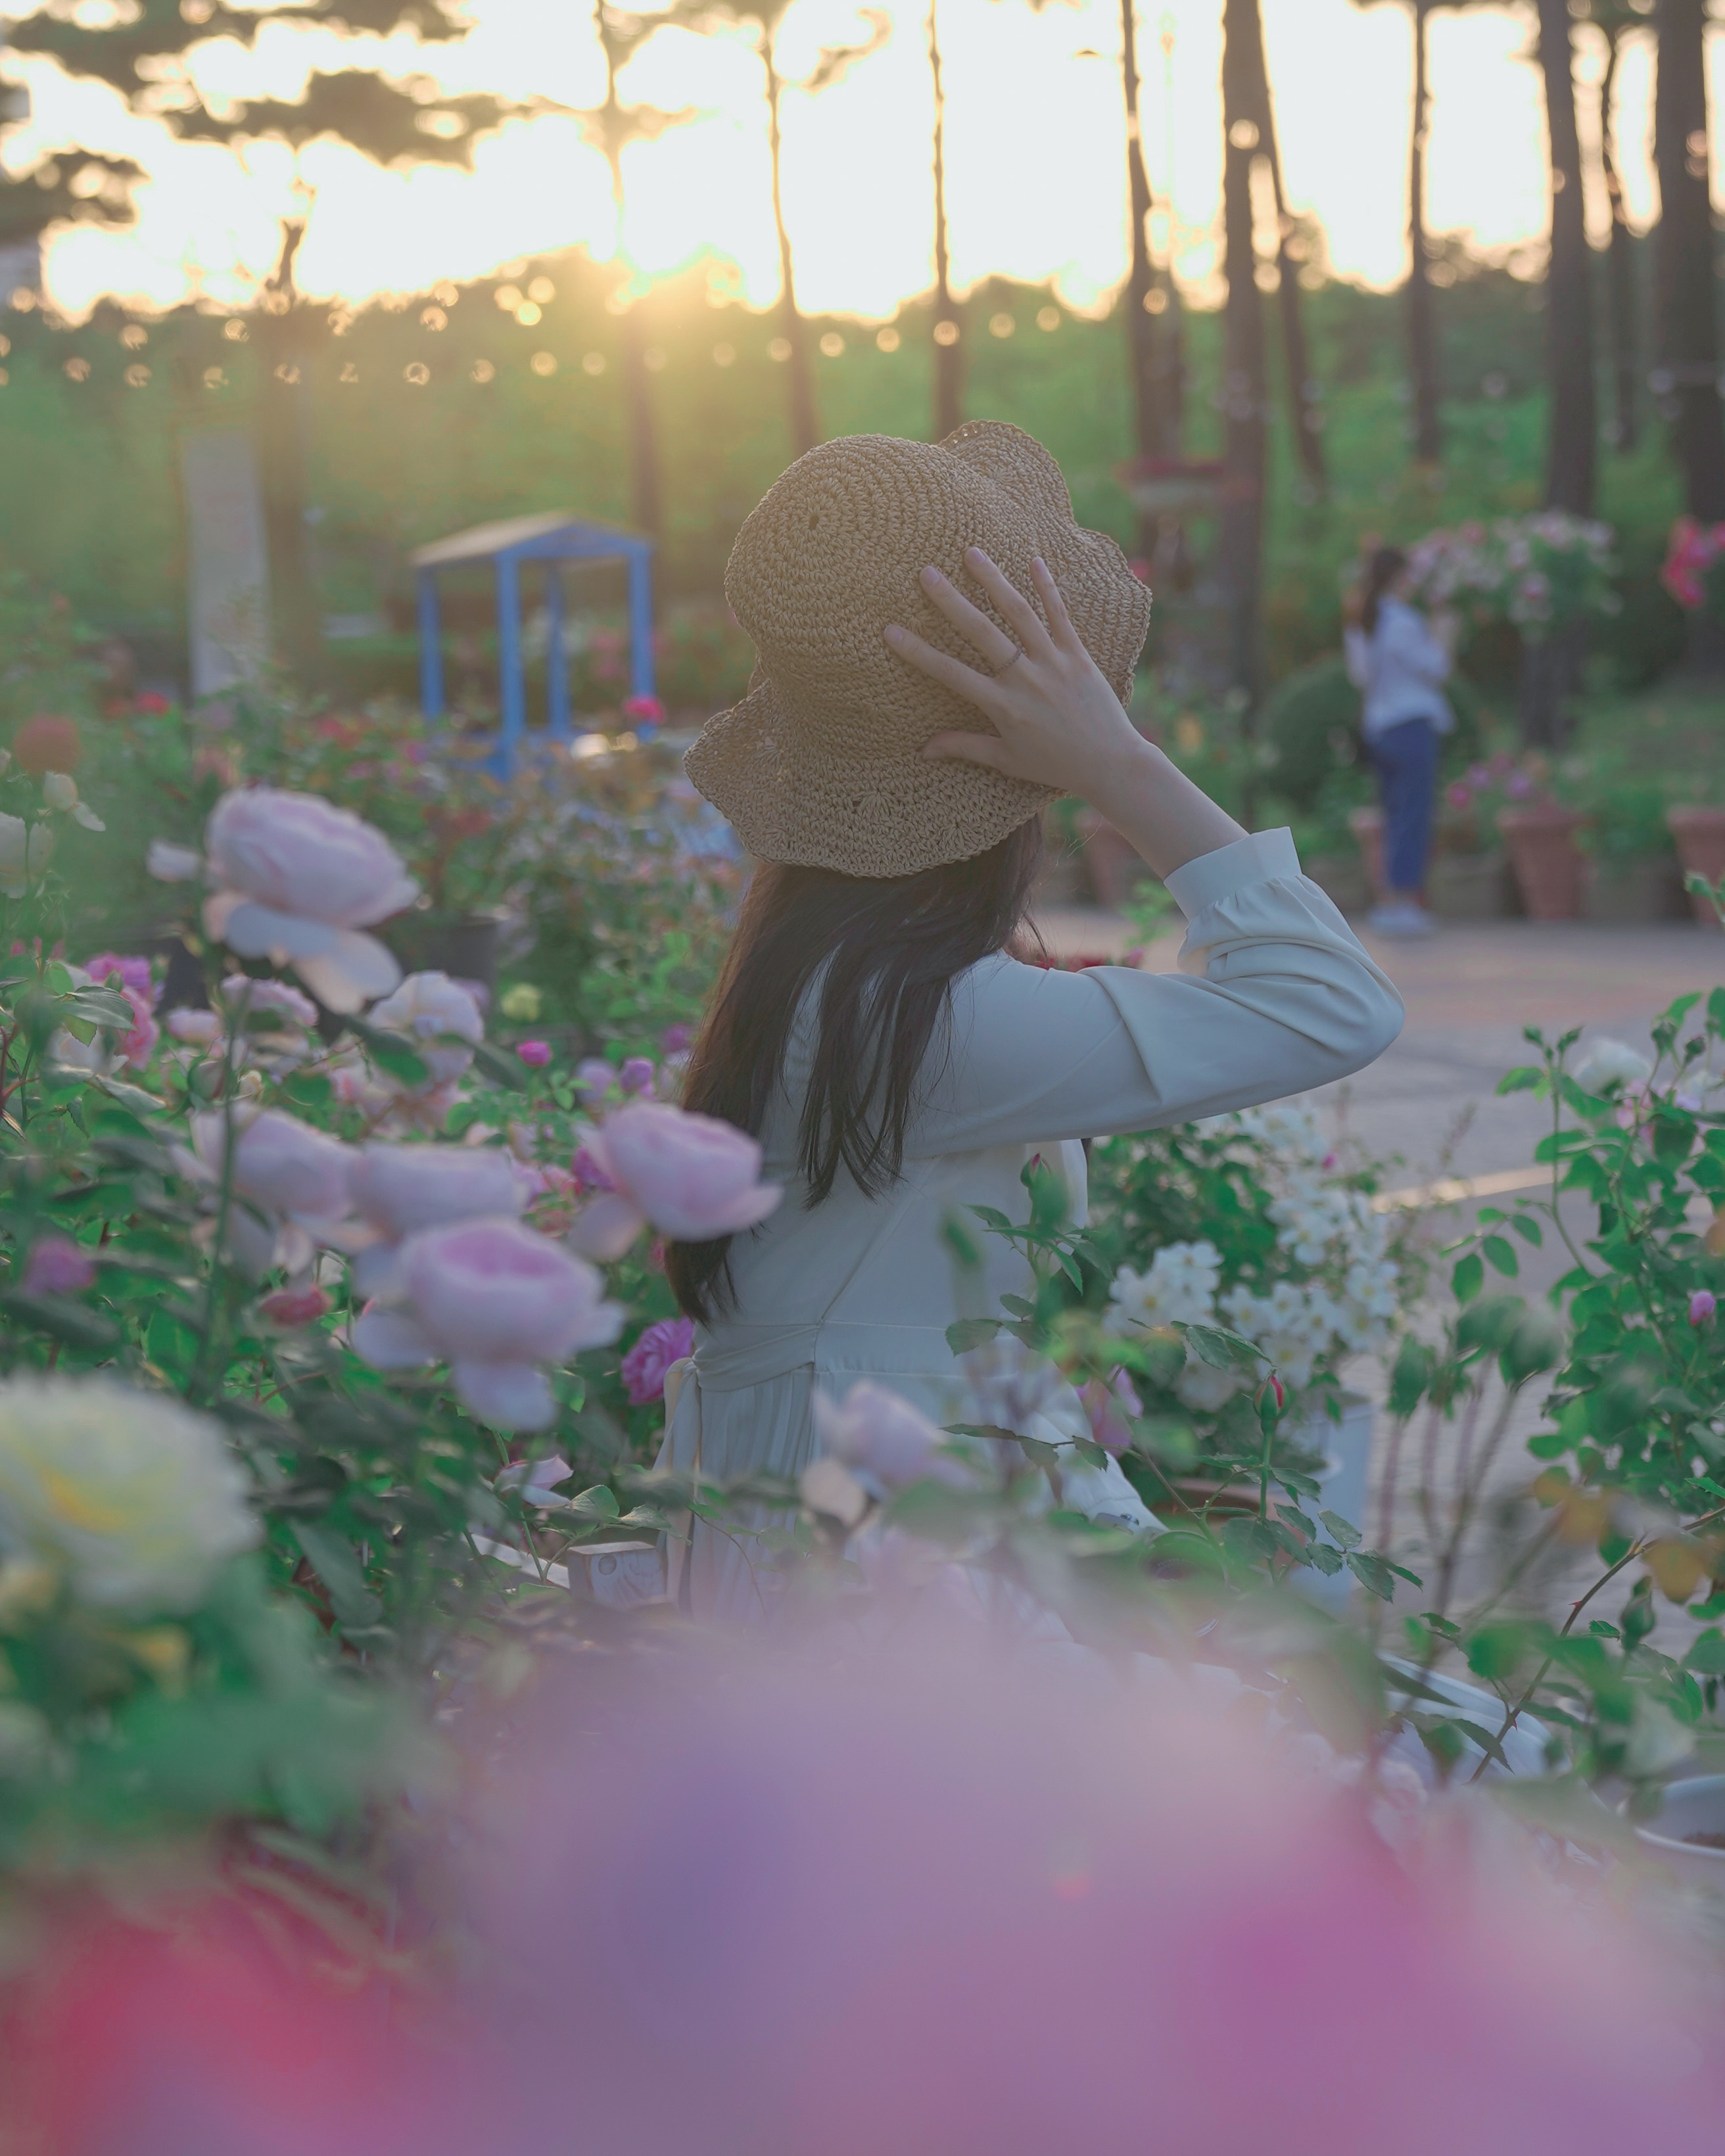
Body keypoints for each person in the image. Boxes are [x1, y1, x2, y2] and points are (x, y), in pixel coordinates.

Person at [662, 423, 1404, 1620]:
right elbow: (1330, 1003)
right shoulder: (920, 1019)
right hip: (883, 1581)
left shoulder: (835, 974)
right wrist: (1120, 766)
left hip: (856, 1533)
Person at [1343, 544, 1456, 939]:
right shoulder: (1404, 621)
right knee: (1413, 813)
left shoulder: (1362, 620)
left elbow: (1359, 677)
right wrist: (1445, 633)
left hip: (1379, 726)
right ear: (1399, 577)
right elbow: (1437, 668)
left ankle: (1389, 902)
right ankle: (1406, 902)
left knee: (1393, 814)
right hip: (1412, 724)